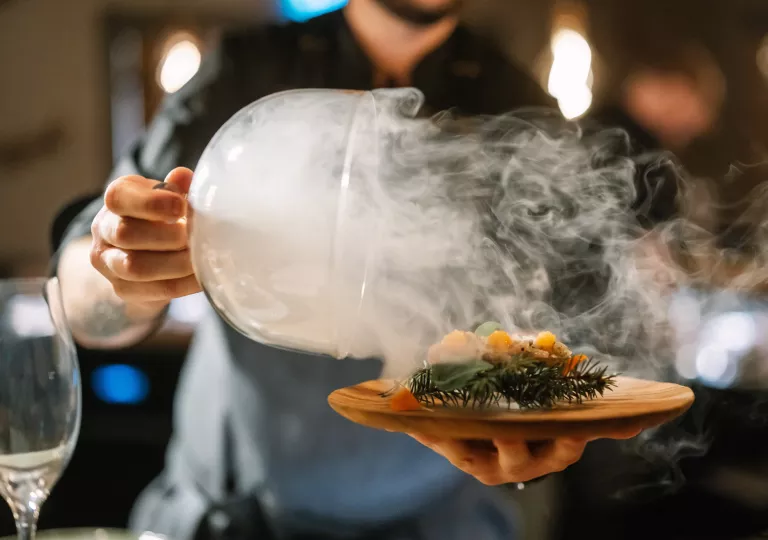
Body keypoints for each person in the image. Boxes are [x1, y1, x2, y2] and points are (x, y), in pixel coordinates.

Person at [52, 2, 655, 539]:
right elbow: (83, 302)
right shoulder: (244, 73)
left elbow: (569, 334)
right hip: (239, 515)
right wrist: (124, 275)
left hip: (437, 520)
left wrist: (539, 437)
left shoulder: (522, 107)